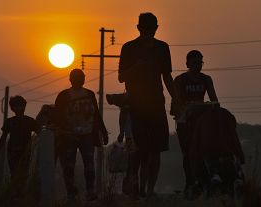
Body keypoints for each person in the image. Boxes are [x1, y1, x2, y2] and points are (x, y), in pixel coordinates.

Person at [118, 12, 177, 198]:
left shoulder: (162, 48)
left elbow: (167, 76)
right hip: (135, 106)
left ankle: (149, 190)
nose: (148, 32)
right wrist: (136, 67)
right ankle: (137, 187)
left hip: (156, 105)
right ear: (138, 29)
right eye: (146, 29)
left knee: (156, 150)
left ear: (156, 29)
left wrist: (176, 98)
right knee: (137, 150)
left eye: (151, 29)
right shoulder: (129, 48)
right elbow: (121, 77)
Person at [54, 69, 109, 201]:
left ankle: (90, 191)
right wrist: (62, 132)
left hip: (87, 135)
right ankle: (70, 192)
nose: (79, 80)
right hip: (69, 136)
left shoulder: (89, 94)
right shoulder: (63, 96)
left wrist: (103, 131)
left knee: (89, 164)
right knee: (69, 166)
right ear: (71, 79)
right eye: (77, 77)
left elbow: (96, 114)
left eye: (81, 77)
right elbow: (57, 117)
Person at [172, 50, 219, 197]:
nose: (198, 66)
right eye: (194, 63)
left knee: (205, 152)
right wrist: (185, 109)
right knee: (188, 154)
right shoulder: (180, 80)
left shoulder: (206, 79)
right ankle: (190, 182)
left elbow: (214, 100)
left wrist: (208, 107)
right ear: (187, 64)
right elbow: (175, 105)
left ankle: (204, 181)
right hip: (185, 121)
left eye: (200, 63)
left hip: (202, 121)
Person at [0, 96, 39, 199]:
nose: (20, 108)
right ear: (13, 108)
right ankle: (15, 196)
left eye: (21, 106)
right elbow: (3, 137)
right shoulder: (9, 122)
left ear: (24, 106)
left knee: (23, 174)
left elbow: (41, 133)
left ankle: (20, 195)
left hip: (25, 153)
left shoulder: (30, 121)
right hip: (12, 153)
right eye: (17, 106)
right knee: (14, 174)